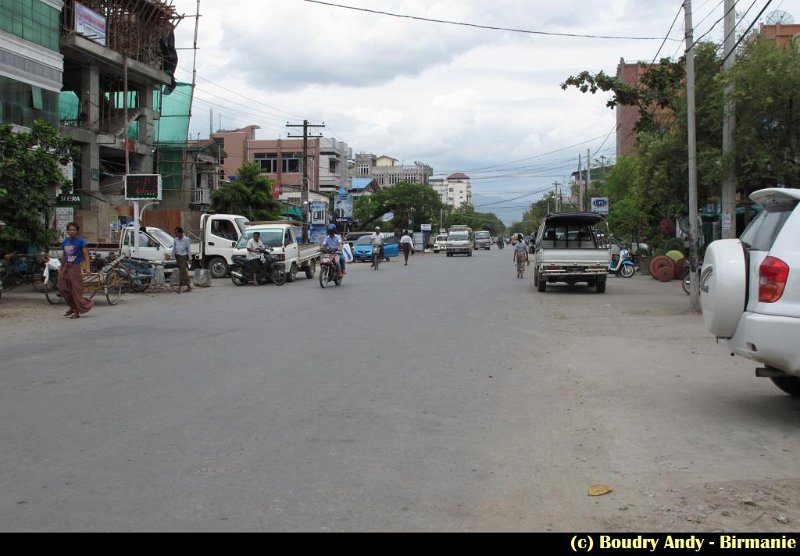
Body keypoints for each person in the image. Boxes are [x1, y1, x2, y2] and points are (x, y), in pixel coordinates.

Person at [58, 221, 94, 318]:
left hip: (75, 267)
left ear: (77, 231)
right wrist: (61, 268)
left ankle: (76, 311)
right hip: (66, 267)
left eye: (74, 230)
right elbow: (64, 255)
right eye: (70, 230)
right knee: (62, 288)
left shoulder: (81, 241)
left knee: (76, 290)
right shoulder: (65, 241)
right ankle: (72, 306)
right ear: (67, 231)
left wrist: (87, 268)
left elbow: (86, 256)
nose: (72, 231)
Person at [171, 227, 192, 292]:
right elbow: (174, 248)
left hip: (183, 256)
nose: (176, 234)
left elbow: (188, 249)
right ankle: (187, 286)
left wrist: (190, 258)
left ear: (180, 233)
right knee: (181, 271)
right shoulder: (175, 239)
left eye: (176, 233)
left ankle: (181, 287)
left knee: (182, 271)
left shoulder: (186, 239)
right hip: (178, 256)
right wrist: (171, 255)